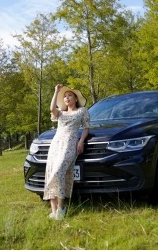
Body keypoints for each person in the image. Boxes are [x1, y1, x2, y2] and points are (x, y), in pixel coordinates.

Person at [44, 84, 89, 220]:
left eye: (70, 95)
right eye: (65, 96)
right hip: (56, 145)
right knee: (51, 173)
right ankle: (54, 211)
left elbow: (86, 127)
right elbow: (51, 108)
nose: (67, 98)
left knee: (59, 171)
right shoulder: (61, 113)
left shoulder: (82, 111)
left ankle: (62, 207)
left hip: (70, 144)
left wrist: (81, 142)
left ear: (76, 99)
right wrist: (56, 91)